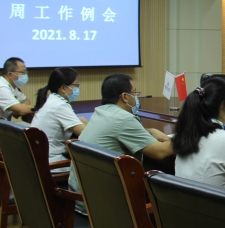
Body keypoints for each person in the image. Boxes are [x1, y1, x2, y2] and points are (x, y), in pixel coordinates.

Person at [69, 73, 173, 214]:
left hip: (82, 199)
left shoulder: (101, 113)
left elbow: (116, 131)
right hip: (104, 207)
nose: (136, 97)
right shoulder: (124, 119)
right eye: (135, 93)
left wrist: (148, 132)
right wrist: (186, 138)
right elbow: (160, 152)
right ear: (125, 97)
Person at [31, 67, 87, 171]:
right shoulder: (60, 105)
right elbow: (86, 134)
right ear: (63, 88)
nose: (76, 89)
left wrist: (78, 120)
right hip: (52, 164)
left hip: (39, 160)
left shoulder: (52, 100)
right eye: (75, 85)